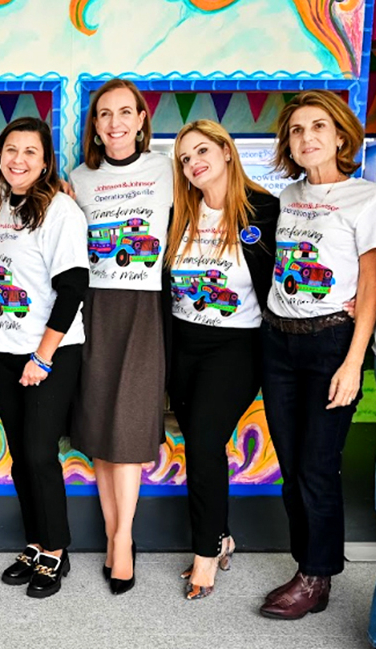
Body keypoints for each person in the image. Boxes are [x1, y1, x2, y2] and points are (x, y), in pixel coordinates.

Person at [259, 90, 376, 620]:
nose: (307, 137)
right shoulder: (285, 198)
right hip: (279, 341)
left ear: (340, 135)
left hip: (332, 343)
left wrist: (353, 362)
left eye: (318, 127)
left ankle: (316, 576)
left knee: (317, 468)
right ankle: (308, 565)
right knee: (291, 465)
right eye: (297, 130)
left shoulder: (364, 199)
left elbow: (371, 287)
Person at [165, 120, 279, 600]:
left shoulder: (266, 210)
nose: (194, 163)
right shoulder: (180, 214)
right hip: (182, 344)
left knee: (205, 442)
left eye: (202, 150)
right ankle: (223, 533)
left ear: (228, 151)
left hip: (236, 346)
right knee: (199, 443)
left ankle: (206, 553)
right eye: (185, 158)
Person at [69, 78, 173, 595]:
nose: (114, 123)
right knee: (101, 424)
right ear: (95, 124)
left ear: (140, 119)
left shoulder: (167, 170)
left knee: (129, 426)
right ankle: (115, 536)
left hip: (144, 306)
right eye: (104, 114)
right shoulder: (78, 178)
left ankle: (124, 539)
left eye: (124, 113)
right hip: (94, 305)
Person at [0, 117, 88, 598]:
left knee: (41, 454)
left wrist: (42, 357)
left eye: (30, 152)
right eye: (11, 150)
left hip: (47, 352)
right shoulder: (0, 207)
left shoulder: (61, 211)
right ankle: (35, 540)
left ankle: (56, 551)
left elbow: (73, 288)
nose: (18, 159)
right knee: (21, 455)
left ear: (45, 162)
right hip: (2, 350)